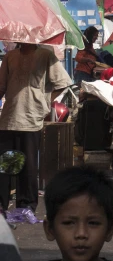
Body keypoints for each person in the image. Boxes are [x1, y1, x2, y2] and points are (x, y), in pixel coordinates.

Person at [0, 43, 70, 219]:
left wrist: (46, 102)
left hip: (32, 118)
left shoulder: (46, 55)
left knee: (28, 165)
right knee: (6, 166)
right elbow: (1, 86)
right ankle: (1, 206)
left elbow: (62, 83)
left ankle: (26, 206)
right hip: (9, 118)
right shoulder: (10, 56)